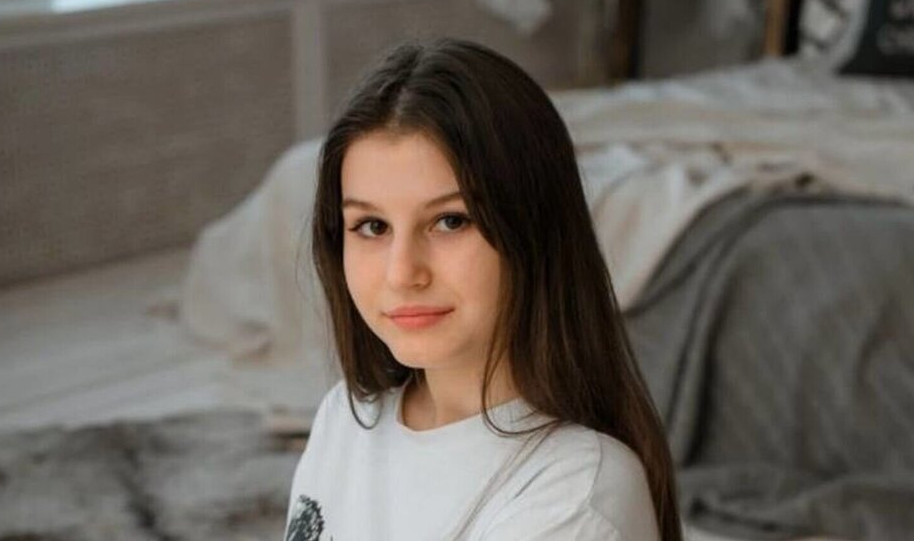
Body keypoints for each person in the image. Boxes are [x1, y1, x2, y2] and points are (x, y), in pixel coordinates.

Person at [284, 37, 682, 541]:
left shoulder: (575, 497)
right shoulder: (344, 417)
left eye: (451, 221)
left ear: (534, 231)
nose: (402, 273)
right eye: (372, 227)